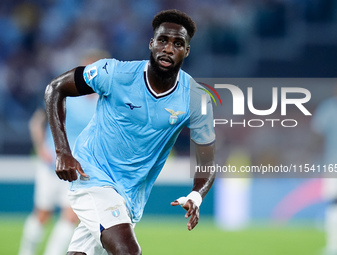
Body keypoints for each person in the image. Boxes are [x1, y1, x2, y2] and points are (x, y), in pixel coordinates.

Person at [44, 9, 216, 255]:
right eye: (163, 40)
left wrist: (196, 196)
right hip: (91, 174)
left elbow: (207, 159)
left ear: (186, 51)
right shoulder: (114, 73)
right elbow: (55, 88)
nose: (168, 49)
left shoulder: (195, 99)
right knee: (128, 251)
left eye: (177, 43)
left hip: (131, 193)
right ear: (151, 43)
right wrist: (63, 151)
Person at [18, 50, 109, 255]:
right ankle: (25, 252)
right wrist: (42, 148)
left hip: (78, 170)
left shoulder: (104, 101)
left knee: (70, 216)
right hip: (53, 163)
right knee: (42, 213)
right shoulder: (66, 93)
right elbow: (37, 122)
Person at [311, 84, 337, 255]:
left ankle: (334, 246)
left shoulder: (328, 109)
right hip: (334, 165)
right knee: (334, 205)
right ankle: (334, 245)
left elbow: (316, 136)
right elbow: (316, 136)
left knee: (335, 205)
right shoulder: (328, 108)